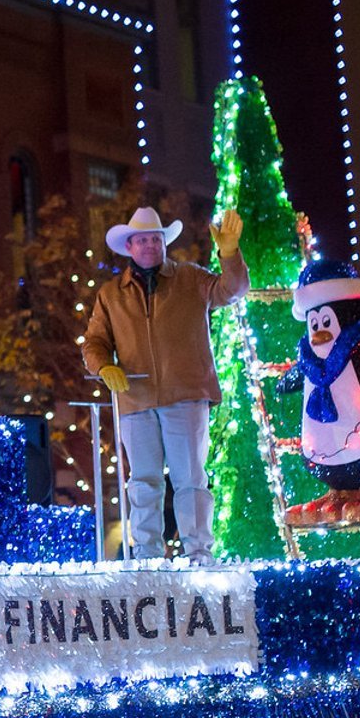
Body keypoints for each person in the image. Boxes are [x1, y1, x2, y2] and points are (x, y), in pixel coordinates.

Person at [81, 205, 248, 561]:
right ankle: (147, 557)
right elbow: (94, 342)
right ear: (129, 246)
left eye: (155, 239)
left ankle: (199, 553)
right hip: (135, 399)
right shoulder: (111, 294)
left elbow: (232, 290)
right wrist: (103, 367)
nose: (150, 245)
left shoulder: (190, 278)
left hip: (185, 395)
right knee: (143, 482)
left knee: (190, 479)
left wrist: (230, 254)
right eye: (142, 240)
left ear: (163, 243)